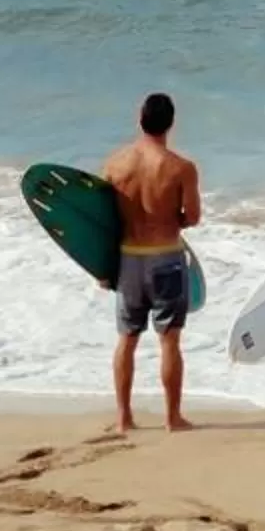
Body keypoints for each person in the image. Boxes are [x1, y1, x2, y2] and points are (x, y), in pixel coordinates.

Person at [103, 91, 201, 433]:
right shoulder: (180, 168)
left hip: (128, 260)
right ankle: (172, 418)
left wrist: (102, 267)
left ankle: (123, 417)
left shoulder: (115, 164)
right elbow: (193, 216)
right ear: (171, 124)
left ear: (139, 118)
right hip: (166, 260)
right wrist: (173, 217)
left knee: (126, 339)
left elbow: (103, 220)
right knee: (169, 340)